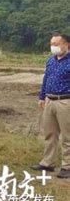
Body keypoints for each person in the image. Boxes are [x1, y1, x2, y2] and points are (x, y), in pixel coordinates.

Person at [31, 33, 70, 179]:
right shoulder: (51, 61)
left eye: (57, 44)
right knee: (50, 133)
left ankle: (67, 166)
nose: (53, 47)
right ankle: (47, 162)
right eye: (52, 44)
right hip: (49, 100)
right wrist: (42, 97)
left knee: (67, 136)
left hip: (65, 101)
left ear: (66, 44)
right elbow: (46, 79)